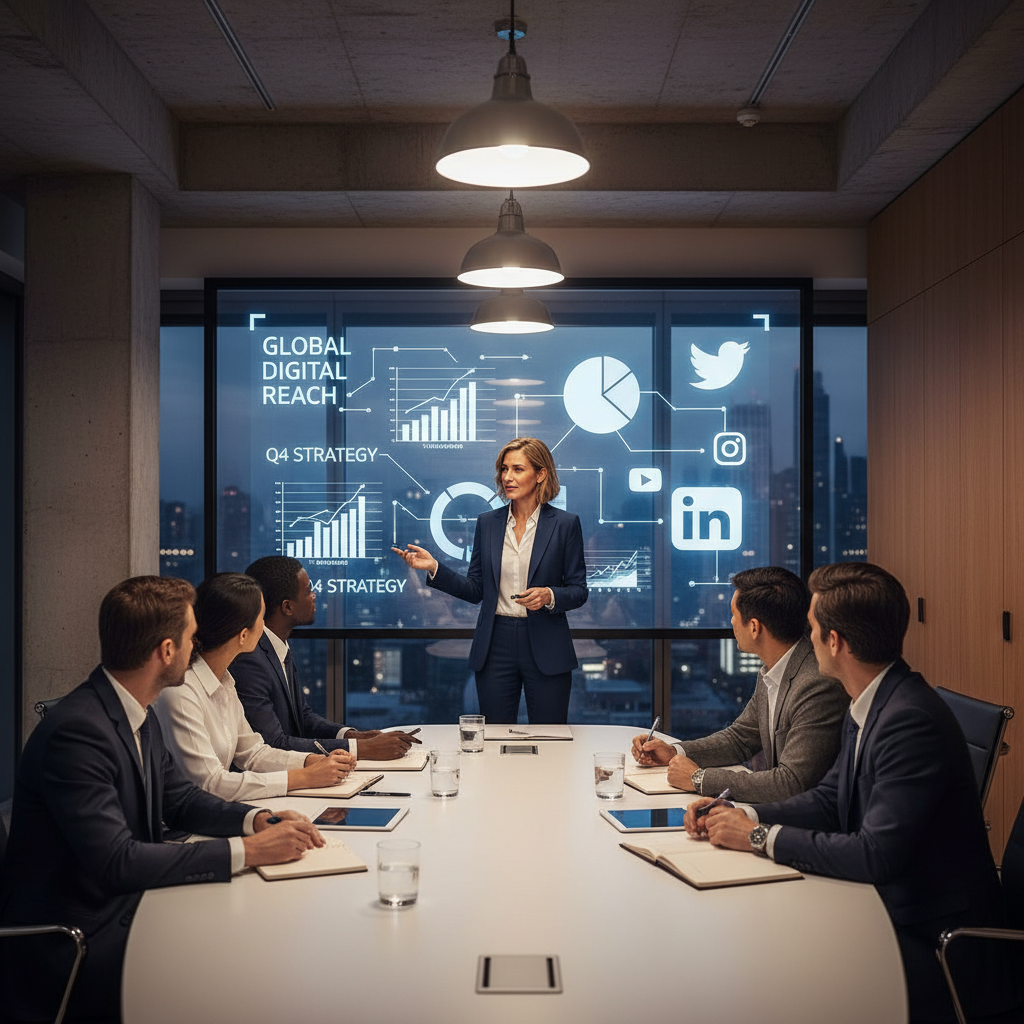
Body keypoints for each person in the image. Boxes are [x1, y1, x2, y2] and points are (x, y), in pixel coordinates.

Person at [692, 562, 1021, 1024]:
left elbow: (875, 855)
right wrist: (740, 811)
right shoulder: (870, 699)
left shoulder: (909, 719)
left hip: (937, 940)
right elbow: (830, 799)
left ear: (835, 641)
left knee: (771, 973)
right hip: (893, 907)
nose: (805, 639)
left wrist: (757, 837)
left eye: (811, 628)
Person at [0, 576, 324, 1024]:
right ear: (167, 651)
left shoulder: (138, 710)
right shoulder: (78, 732)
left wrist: (257, 821)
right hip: (76, 937)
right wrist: (248, 851)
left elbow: (182, 801)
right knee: (246, 971)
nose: (199, 646)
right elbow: (117, 862)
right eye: (192, 638)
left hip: (126, 905)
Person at [392, 436, 587, 723]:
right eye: (504, 469)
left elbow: (579, 590)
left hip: (547, 642)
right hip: (496, 642)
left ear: (541, 474)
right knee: (494, 736)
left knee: (551, 737)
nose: (507, 477)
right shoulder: (488, 523)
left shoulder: (566, 524)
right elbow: (476, 589)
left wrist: (549, 595)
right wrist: (435, 567)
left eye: (518, 469)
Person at [630, 566, 847, 802]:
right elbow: (740, 738)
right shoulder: (774, 670)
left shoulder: (816, 684)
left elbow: (791, 783)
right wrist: (674, 751)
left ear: (754, 627)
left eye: (733, 615)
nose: (731, 622)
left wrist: (699, 778)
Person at [157, 572, 355, 802]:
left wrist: (312, 761)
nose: (265, 625)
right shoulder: (182, 691)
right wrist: (304, 777)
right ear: (243, 635)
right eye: (261, 618)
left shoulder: (224, 680)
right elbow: (211, 784)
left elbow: (253, 753)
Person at [234, 556, 420, 760]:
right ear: (287, 607)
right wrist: (362, 750)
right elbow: (274, 744)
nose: (314, 596)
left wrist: (355, 737)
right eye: (307, 592)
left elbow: (303, 718)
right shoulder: (250, 659)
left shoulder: (278, 646)